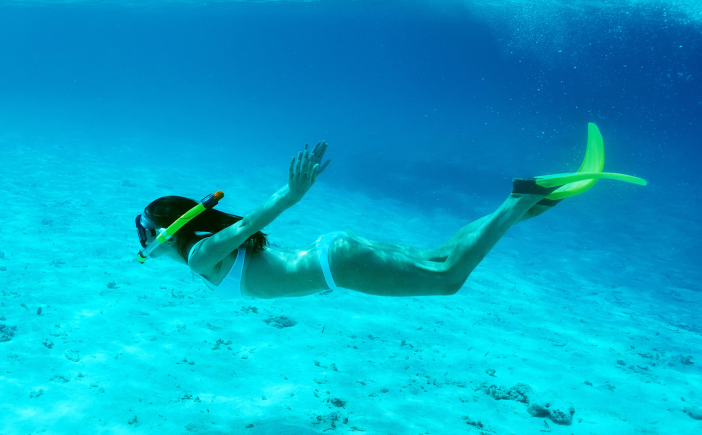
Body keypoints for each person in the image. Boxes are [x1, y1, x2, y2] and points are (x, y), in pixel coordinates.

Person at [135, 132, 644, 299]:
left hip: (340, 265)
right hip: (336, 252)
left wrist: (291, 194)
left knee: (447, 278)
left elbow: (248, 226)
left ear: (164, 232)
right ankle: (525, 202)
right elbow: (244, 232)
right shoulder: (200, 252)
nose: (142, 245)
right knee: (441, 254)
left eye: (143, 234)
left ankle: (520, 198)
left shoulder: (201, 254)